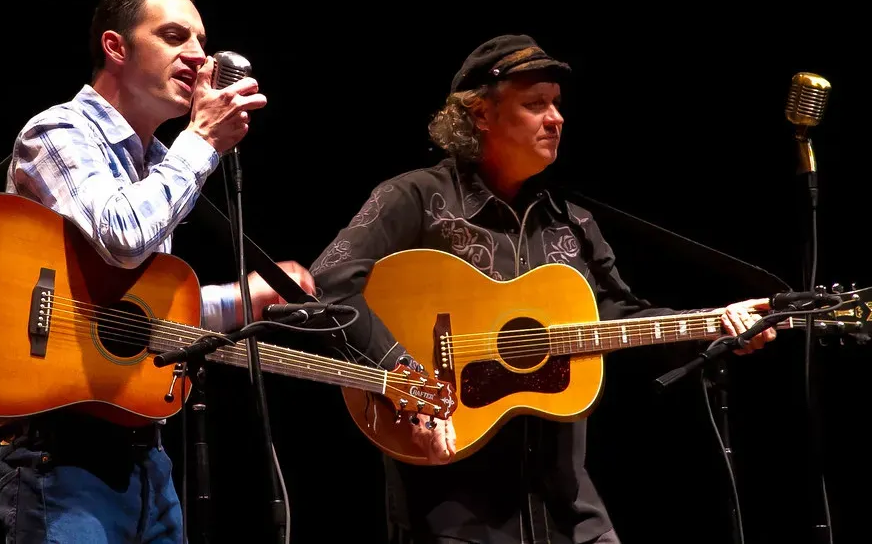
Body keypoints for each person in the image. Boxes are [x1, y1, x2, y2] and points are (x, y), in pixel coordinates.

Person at [308, 34, 776, 544]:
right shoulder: (416, 197)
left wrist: (713, 329)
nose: (556, 118)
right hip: (450, 509)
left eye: (556, 104)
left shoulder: (572, 222)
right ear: (480, 115)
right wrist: (407, 373)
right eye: (535, 105)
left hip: (571, 507)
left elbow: (617, 320)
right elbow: (328, 283)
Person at [0, 0, 316, 543]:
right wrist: (200, 143)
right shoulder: (57, 134)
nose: (199, 57)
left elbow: (137, 316)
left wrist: (245, 298)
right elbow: (121, 239)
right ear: (115, 47)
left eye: (201, 40)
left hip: (146, 456)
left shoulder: (154, 163)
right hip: (62, 459)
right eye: (174, 37)